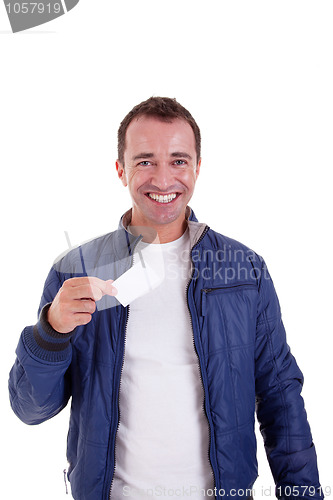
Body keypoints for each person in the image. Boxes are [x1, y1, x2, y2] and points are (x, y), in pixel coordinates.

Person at [9, 97, 323, 500]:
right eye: (145, 161)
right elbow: (31, 409)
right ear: (121, 169)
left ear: (197, 167)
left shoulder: (245, 270)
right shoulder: (78, 269)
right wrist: (50, 331)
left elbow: (281, 399)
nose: (162, 179)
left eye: (178, 160)